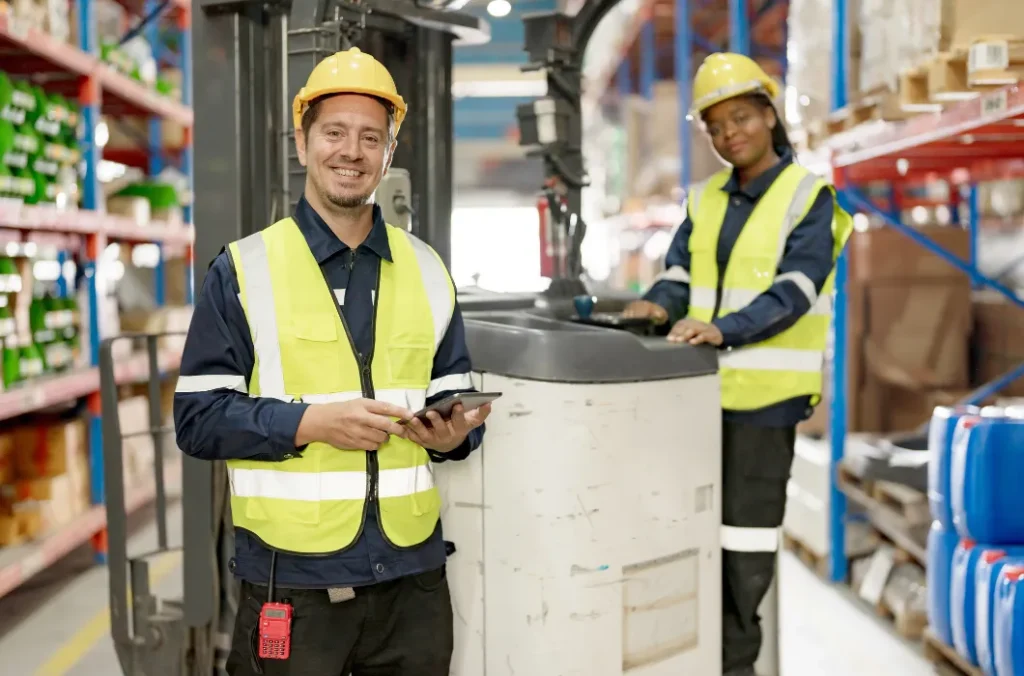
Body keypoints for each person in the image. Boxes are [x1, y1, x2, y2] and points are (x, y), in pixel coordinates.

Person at [173, 47, 490, 676]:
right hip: (293, 582)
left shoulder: (428, 270)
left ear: (389, 152)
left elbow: (454, 405)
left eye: (371, 137)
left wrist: (452, 437)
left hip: (412, 583)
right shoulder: (242, 270)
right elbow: (198, 418)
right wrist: (311, 424)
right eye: (335, 133)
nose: (352, 151)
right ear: (303, 142)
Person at [623, 52, 853, 676]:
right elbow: (678, 275)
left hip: (764, 406)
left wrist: (721, 330)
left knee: (742, 549)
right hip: (697, 400)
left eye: (743, 118)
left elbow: (794, 292)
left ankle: (735, 665)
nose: (731, 135)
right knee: (687, 538)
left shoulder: (810, 199)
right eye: (717, 126)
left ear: (769, 115)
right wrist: (654, 307)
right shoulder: (704, 200)